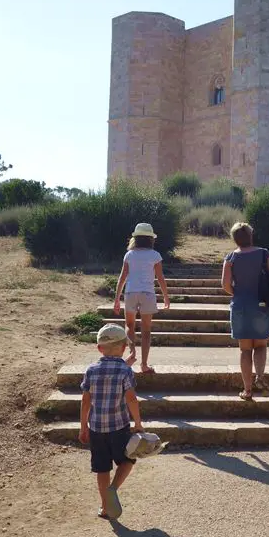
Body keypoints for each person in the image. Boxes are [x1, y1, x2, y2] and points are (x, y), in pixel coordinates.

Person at [79, 324, 143, 521]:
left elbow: (85, 400)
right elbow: (131, 398)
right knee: (128, 459)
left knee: (101, 468)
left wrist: (83, 427)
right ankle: (114, 488)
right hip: (119, 426)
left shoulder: (91, 370)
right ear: (123, 347)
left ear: (99, 348)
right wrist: (138, 423)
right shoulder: (125, 370)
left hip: (97, 428)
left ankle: (105, 507)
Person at [221, 222, 269, 401]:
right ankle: (260, 378)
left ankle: (247, 390)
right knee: (261, 345)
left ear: (234, 238)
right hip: (261, 305)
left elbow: (224, 284)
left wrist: (238, 293)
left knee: (245, 350)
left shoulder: (230, 257)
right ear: (251, 236)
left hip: (240, 306)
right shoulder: (263, 253)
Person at [114, 223, 170, 374]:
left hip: (131, 292)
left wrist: (117, 298)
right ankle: (144, 364)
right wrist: (166, 297)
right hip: (148, 294)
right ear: (151, 238)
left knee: (129, 325)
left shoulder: (129, 255)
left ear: (135, 238)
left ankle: (132, 353)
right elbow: (160, 278)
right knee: (146, 331)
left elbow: (122, 277)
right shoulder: (155, 255)